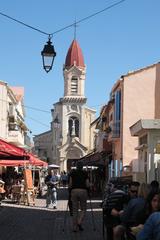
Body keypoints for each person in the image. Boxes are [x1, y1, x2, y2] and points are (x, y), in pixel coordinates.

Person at [69, 161, 90, 232]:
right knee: (83, 209)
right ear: (82, 166)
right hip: (83, 191)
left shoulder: (72, 173)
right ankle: (79, 221)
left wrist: (69, 191)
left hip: (74, 191)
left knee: (75, 210)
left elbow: (70, 184)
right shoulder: (85, 173)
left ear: (76, 166)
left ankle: (75, 227)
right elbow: (87, 184)